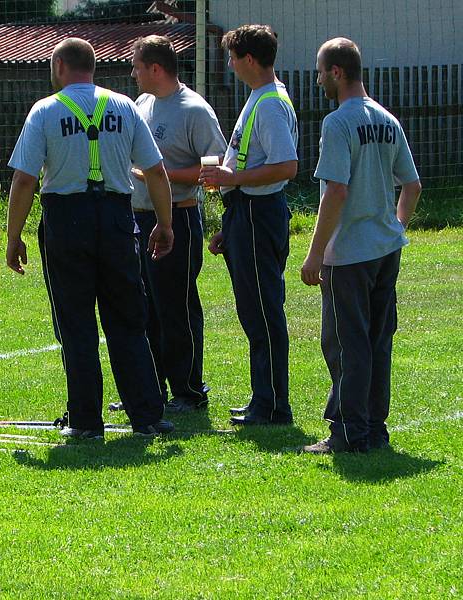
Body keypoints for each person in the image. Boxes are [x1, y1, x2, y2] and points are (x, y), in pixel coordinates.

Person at [6, 37, 176, 439]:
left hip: (67, 221)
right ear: (93, 66)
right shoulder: (124, 106)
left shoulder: (45, 111)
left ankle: (86, 421)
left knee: (76, 323)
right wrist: (165, 224)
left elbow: (25, 178)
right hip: (118, 218)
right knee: (128, 320)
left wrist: (13, 236)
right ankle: (147, 415)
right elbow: (155, 171)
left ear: (61, 66)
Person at [300, 38, 422, 454]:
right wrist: (395, 224)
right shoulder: (388, 119)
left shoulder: (338, 123)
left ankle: (349, 433)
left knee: (344, 343)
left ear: (336, 71)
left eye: (320, 72)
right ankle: (373, 427)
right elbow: (413, 184)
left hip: (349, 252)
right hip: (387, 247)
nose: (318, 80)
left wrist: (316, 253)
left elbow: (335, 190)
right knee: (376, 340)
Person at [110, 34, 226, 414]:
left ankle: (189, 392)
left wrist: (163, 175)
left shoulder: (193, 109)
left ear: (156, 69)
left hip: (180, 215)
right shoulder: (142, 104)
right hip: (139, 218)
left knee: (176, 306)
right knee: (144, 307)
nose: (132, 72)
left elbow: (216, 167)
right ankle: (151, 389)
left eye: (137, 65)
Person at [199, 24, 297, 426]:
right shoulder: (262, 97)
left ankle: (273, 405)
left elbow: (286, 165)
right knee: (253, 311)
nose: (229, 64)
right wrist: (232, 221)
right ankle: (264, 396)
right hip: (247, 216)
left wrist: (231, 181)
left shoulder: (270, 103)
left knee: (263, 311)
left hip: (260, 215)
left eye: (232, 57)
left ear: (249, 60)